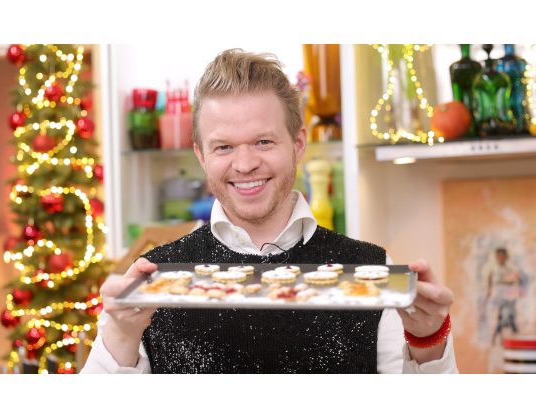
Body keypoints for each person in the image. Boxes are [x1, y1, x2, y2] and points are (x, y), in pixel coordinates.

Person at [81, 49, 458, 373]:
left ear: (298, 144)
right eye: (223, 147)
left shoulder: (370, 270)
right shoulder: (154, 281)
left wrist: (428, 340)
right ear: (201, 155)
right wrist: (121, 333)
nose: (245, 164)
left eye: (263, 141)